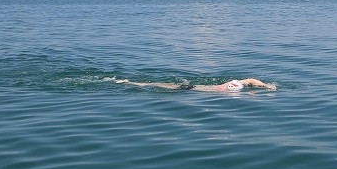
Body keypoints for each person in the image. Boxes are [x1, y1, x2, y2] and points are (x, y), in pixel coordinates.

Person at [115, 78, 277, 92]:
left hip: (193, 88)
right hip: (191, 90)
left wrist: (264, 86)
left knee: (164, 85)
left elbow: (251, 80)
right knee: (163, 86)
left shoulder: (236, 84)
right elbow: (251, 80)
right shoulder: (234, 88)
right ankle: (131, 83)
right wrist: (265, 86)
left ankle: (132, 82)